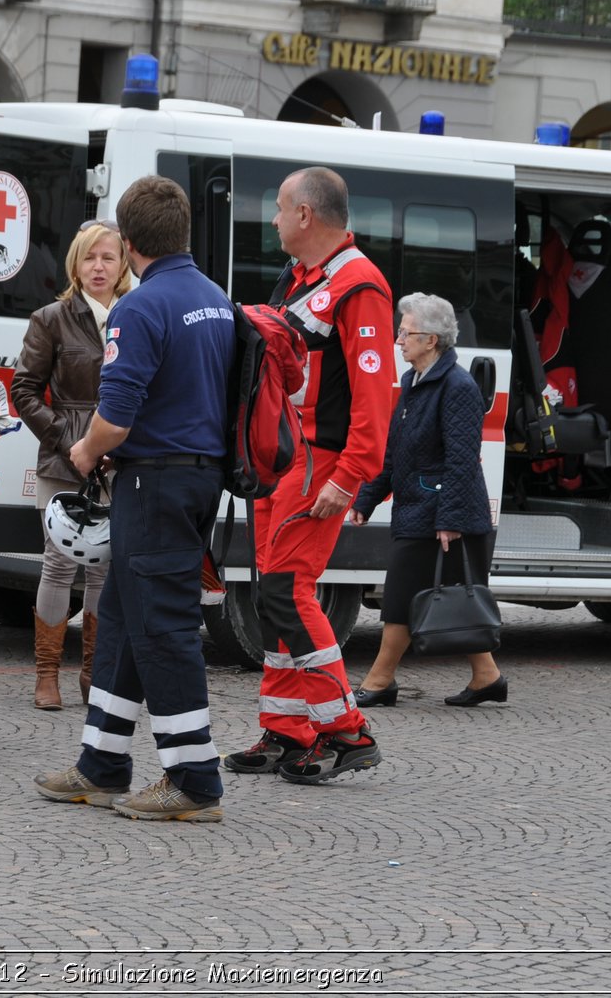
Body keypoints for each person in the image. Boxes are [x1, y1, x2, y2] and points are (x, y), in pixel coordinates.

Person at [34, 175, 234, 823]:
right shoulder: (214, 298)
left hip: (154, 482)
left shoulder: (140, 307)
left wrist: (83, 455)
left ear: (127, 243)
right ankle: (101, 762)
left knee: (164, 627)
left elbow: (115, 417)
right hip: (197, 477)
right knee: (120, 616)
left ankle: (194, 777)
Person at [222, 166, 392, 784]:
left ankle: (346, 729)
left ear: (305, 216)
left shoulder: (360, 285)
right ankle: (287, 731)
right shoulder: (300, 279)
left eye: (279, 208)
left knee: (288, 591)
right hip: (284, 458)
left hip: (319, 460)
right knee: (274, 594)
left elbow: (376, 399)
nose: (272, 220)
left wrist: (349, 479)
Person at [351, 293, 506, 707]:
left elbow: (462, 458)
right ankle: (487, 675)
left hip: (444, 514)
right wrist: (366, 498)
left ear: (431, 340)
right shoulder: (414, 382)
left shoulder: (458, 387)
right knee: (455, 596)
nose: (398, 340)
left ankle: (381, 680)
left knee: (404, 594)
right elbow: (395, 451)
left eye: (405, 332)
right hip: (422, 509)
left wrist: (450, 518)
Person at [11, 219, 130, 709]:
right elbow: (23, 390)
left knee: (104, 569)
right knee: (59, 565)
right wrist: (68, 440)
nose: (98, 266)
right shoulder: (51, 318)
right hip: (63, 459)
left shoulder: (135, 313)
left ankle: (92, 673)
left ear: (123, 264)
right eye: (89, 257)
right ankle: (46, 675)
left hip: (120, 460)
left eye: (108, 257)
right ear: (75, 265)